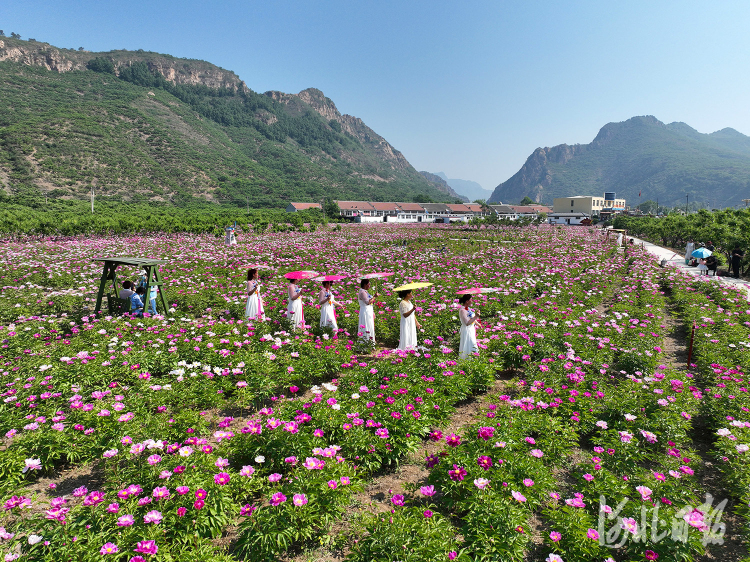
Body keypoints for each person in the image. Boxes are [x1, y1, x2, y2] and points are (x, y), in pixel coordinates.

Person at [458, 294, 481, 359]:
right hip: (466, 330)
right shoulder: (462, 310)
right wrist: (476, 316)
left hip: (471, 329)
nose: (472, 301)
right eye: (471, 299)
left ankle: (473, 358)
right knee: (469, 344)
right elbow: (467, 323)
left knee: (472, 343)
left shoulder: (468, 308)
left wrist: (478, 324)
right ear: (467, 301)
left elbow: (471, 318)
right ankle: (467, 359)